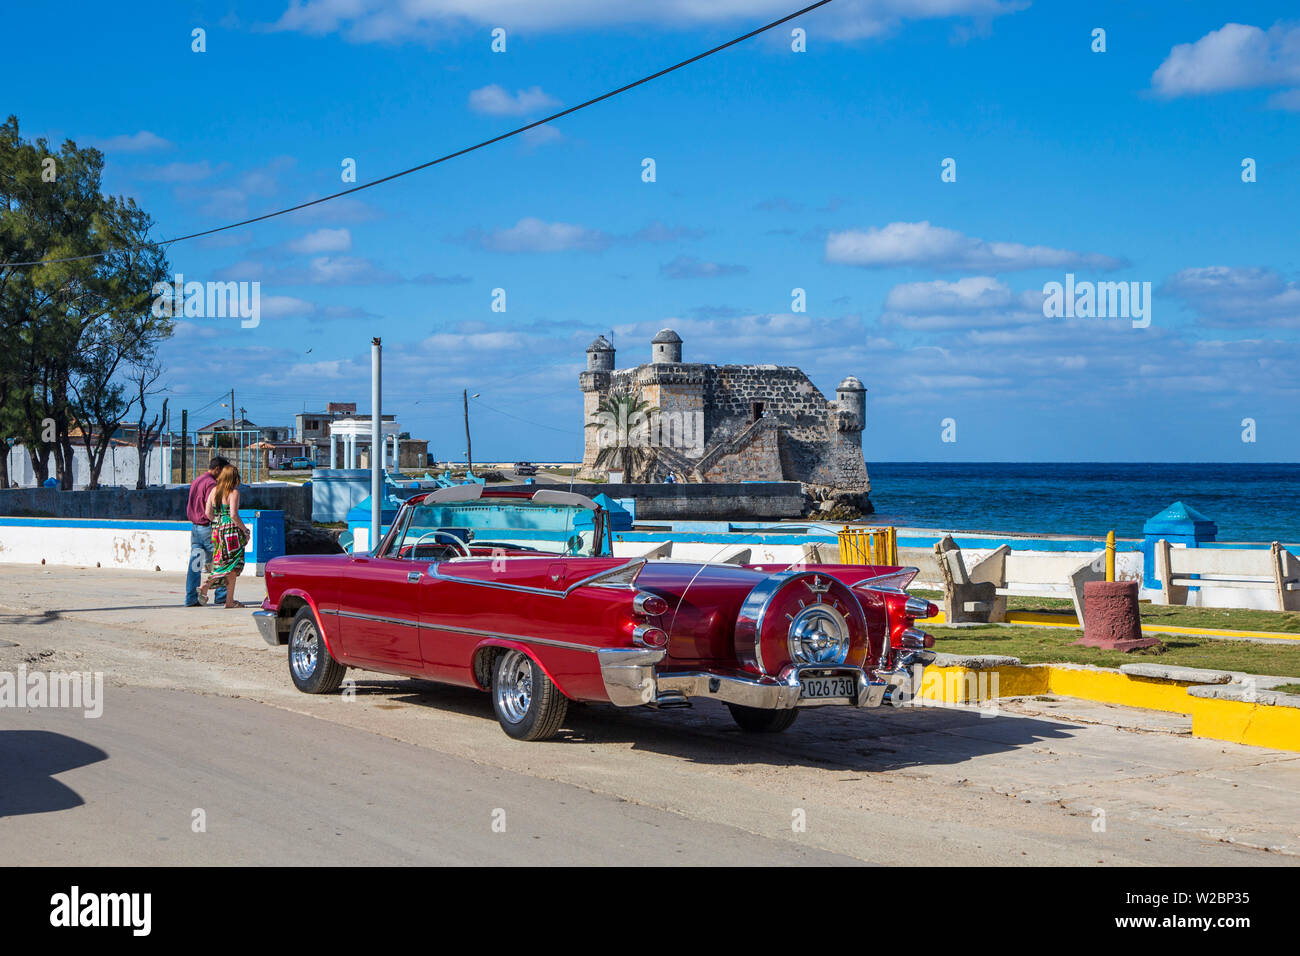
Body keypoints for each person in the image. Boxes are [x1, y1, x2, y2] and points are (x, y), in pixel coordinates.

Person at [199, 464, 251, 608]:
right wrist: (245, 531)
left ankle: (229, 601)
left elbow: (208, 513)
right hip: (231, 532)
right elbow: (234, 515)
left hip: (217, 530)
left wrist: (218, 522)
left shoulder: (213, 491)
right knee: (232, 564)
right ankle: (207, 584)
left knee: (224, 563)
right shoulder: (233, 493)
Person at [184, 456, 230, 606]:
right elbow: (212, 508)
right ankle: (221, 595)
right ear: (217, 469)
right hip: (208, 528)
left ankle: (191, 598)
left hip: (195, 528)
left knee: (195, 565)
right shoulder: (211, 484)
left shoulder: (197, 480)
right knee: (221, 560)